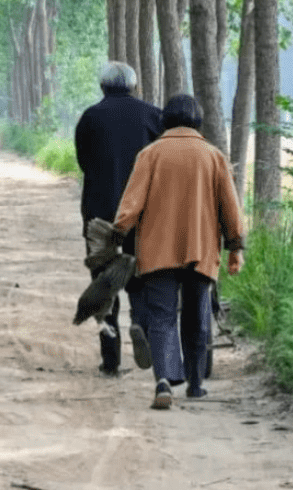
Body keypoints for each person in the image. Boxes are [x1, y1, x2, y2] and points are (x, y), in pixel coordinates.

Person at [113, 94, 245, 408]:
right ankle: (195, 385)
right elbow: (231, 208)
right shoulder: (214, 156)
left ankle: (164, 381)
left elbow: (130, 206)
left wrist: (117, 233)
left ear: (165, 120)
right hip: (201, 248)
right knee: (198, 316)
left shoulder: (150, 154)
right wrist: (235, 246)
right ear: (198, 120)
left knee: (161, 316)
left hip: (157, 250)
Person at [74, 61, 162, 376]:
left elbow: (84, 162)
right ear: (134, 85)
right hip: (143, 215)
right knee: (140, 279)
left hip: (99, 216)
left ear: (102, 87)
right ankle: (141, 325)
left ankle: (110, 359)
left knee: (104, 285)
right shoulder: (153, 116)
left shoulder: (89, 118)